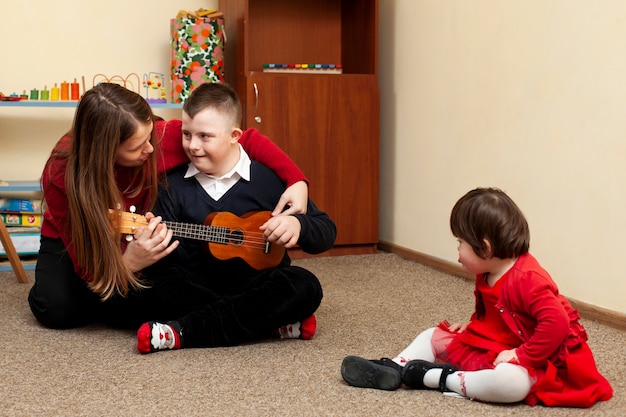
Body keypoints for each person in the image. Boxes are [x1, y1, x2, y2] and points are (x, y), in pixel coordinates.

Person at [28, 82, 310, 330]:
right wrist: (129, 263)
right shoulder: (60, 176)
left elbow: (243, 138)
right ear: (106, 151)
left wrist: (297, 180)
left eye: (149, 137)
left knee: (158, 288)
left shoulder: (159, 138)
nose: (150, 150)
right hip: (74, 237)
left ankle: (227, 316)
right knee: (58, 310)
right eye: (137, 147)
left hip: (138, 233)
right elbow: (89, 267)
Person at [340, 188, 613, 408]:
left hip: (541, 353)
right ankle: (396, 368)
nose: (457, 249)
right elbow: (491, 313)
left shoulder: (528, 280)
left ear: (485, 248)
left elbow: (557, 325)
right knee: (433, 335)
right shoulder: (487, 270)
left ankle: (438, 378)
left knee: (511, 384)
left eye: (460, 242)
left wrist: (521, 355)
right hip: (500, 341)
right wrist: (473, 326)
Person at [135, 82, 336, 353]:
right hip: (199, 285)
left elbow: (325, 232)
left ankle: (183, 331)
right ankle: (265, 323)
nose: (192, 146)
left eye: (205, 136)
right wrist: (151, 245)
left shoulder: (269, 180)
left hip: (256, 282)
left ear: (234, 135)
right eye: (186, 134)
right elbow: (169, 261)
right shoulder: (171, 187)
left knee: (304, 285)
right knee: (151, 282)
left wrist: (298, 225)